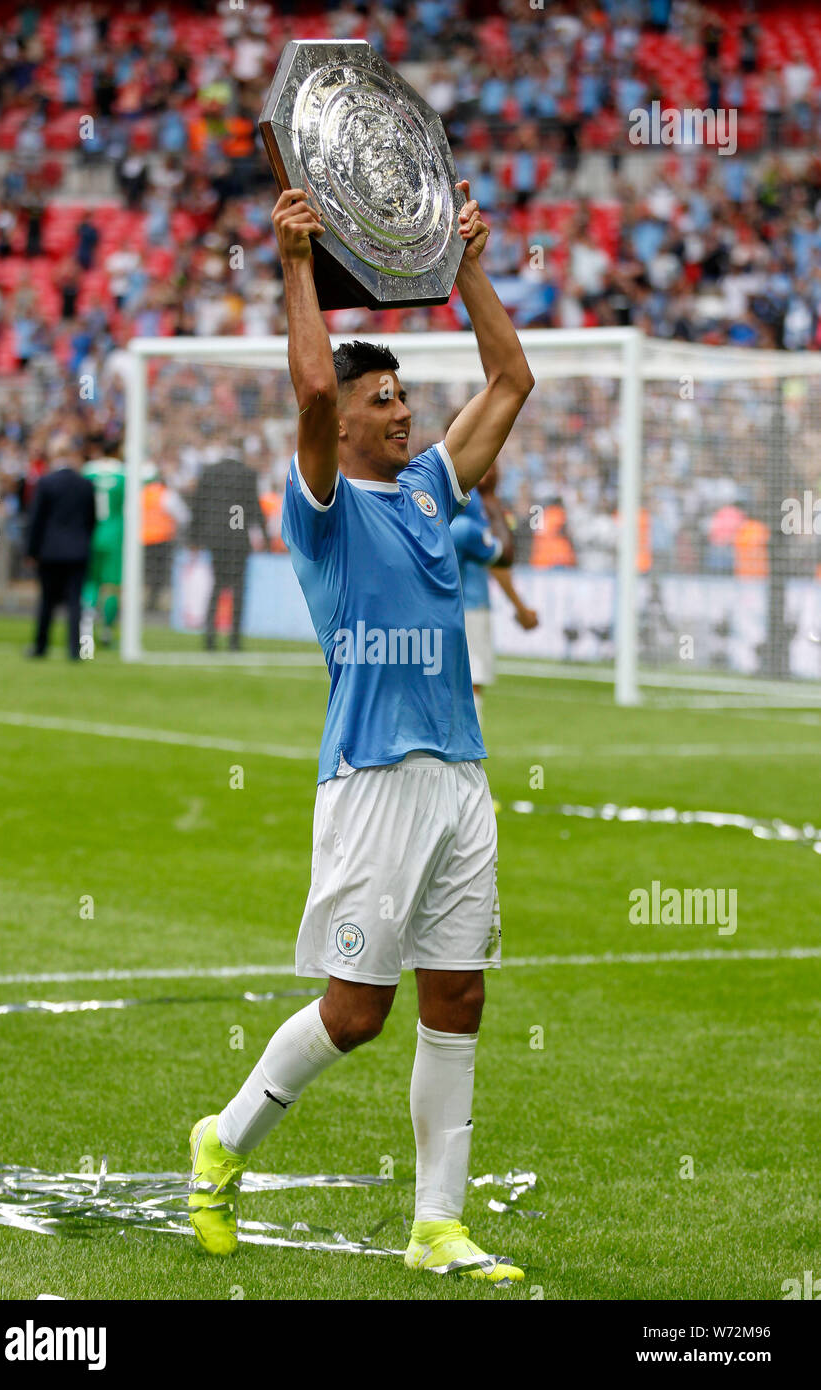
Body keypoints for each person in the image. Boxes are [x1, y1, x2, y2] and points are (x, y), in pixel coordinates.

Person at [188, 182, 535, 1284]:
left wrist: (465, 266)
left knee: (460, 996)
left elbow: (512, 378)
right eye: (381, 399)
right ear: (341, 424)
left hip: (458, 778)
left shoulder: (435, 485)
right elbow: (304, 387)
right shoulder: (323, 509)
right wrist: (296, 264)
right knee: (356, 1010)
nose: (401, 410)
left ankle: (437, 1224)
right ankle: (223, 1137)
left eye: (400, 395)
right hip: (373, 781)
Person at [450, 462, 538, 728]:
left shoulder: (448, 492)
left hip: (446, 604)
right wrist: (520, 607)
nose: (493, 470)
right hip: (470, 606)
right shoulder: (473, 500)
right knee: (471, 682)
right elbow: (496, 559)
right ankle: (465, 759)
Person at [188, 449, 269, 650]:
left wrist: (194, 538)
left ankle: (209, 637)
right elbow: (253, 507)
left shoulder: (209, 472)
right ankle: (234, 640)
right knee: (238, 588)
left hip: (215, 538)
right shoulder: (247, 474)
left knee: (216, 585)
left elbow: (198, 505)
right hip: (237, 537)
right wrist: (265, 535)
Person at [26, 434, 96, 659]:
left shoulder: (46, 482)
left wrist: (31, 550)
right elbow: (92, 519)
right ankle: (74, 650)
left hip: (50, 551)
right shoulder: (85, 483)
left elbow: (36, 519)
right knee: (75, 601)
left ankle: (40, 646)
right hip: (78, 550)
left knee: (47, 600)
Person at [82, 444, 125, 648]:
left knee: (91, 583)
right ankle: (107, 631)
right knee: (112, 587)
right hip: (115, 535)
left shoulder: (88, 472)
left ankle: (86, 631)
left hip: (91, 533)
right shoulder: (124, 475)